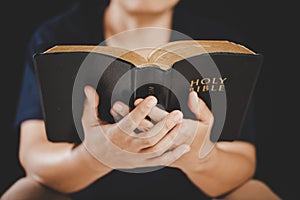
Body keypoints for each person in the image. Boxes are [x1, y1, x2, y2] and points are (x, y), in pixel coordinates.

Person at [1, 0, 280, 199]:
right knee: (26, 193)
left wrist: (199, 157)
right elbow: (34, 158)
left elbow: (244, 164)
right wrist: (94, 157)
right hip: (79, 192)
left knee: (253, 192)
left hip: (192, 192)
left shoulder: (221, 45)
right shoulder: (57, 38)